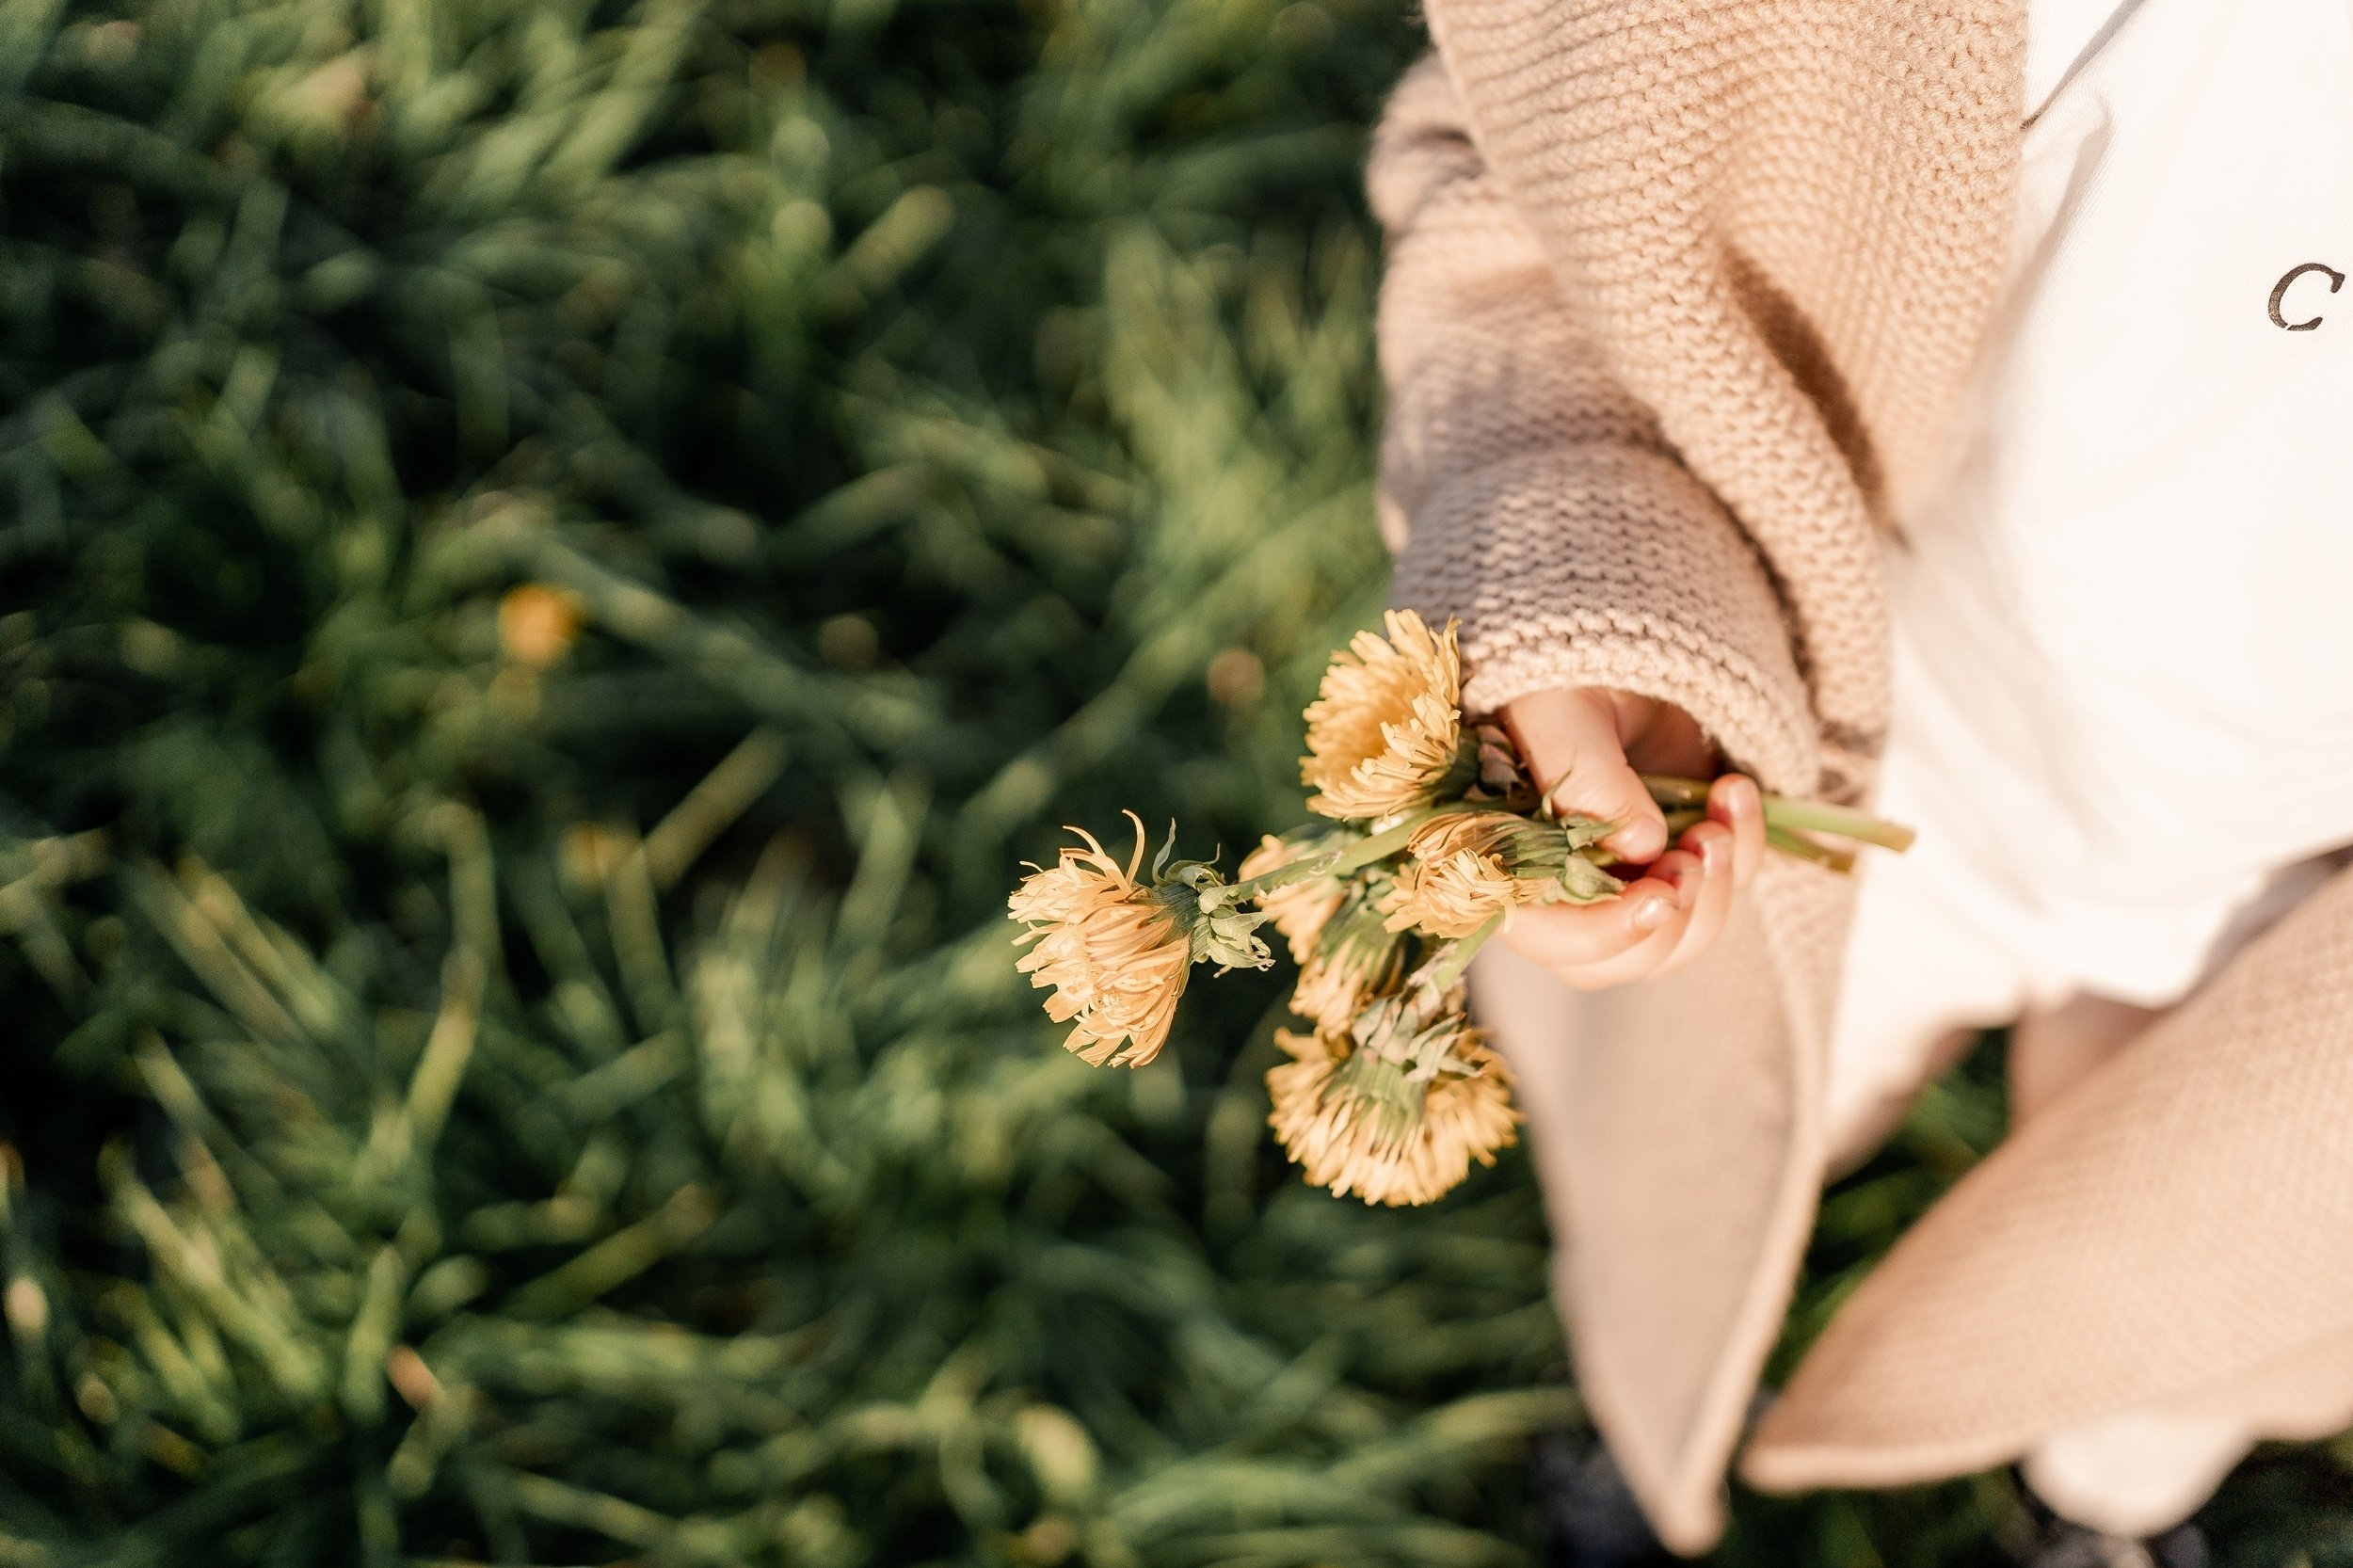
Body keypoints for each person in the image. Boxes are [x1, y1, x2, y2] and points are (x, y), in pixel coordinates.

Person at [1370, 0, 2353, 1557]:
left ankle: (2102, 1501)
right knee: (1683, 1151)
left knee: (2180, 1302)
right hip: (1866, 740)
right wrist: (1592, 569)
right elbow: (1534, 194)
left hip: (2300, 927)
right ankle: (1653, 1393)